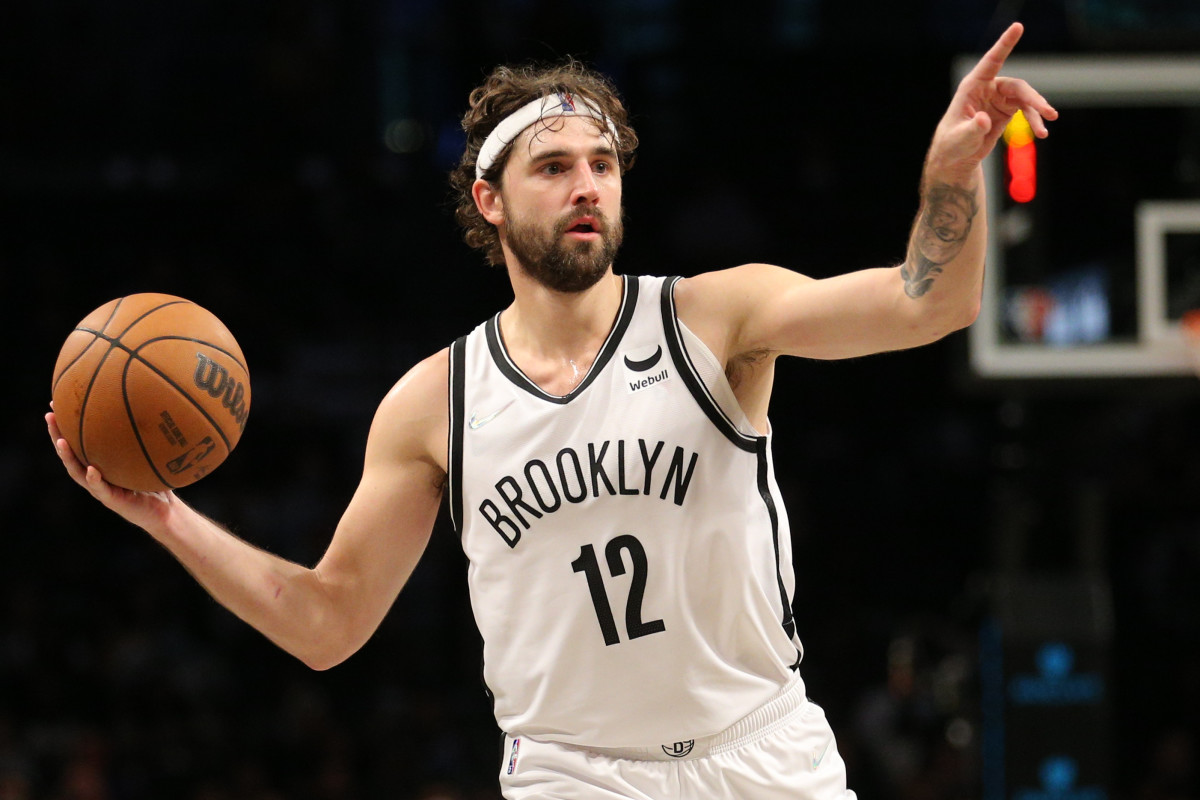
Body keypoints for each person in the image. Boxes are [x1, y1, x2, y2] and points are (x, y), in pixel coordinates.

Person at [47, 22, 1056, 799]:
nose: (588, 185)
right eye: (554, 165)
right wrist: (168, 515)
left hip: (761, 752)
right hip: (576, 773)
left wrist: (946, 177)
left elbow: (931, 300)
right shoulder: (433, 402)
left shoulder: (715, 314)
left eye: (603, 164)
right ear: (490, 199)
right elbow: (328, 623)